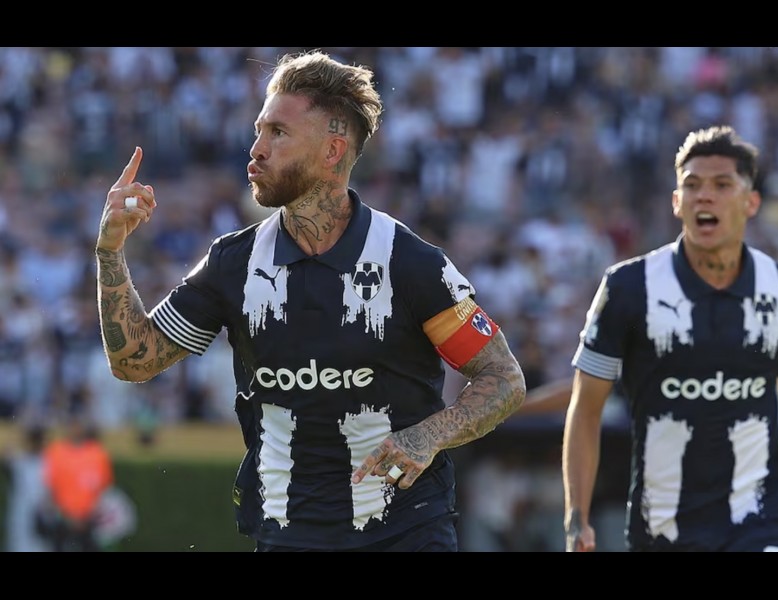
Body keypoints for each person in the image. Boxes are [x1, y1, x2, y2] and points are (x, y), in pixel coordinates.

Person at [94, 50, 526, 552]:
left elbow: (503, 378)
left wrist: (428, 435)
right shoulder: (233, 263)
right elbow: (133, 361)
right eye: (259, 130)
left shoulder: (409, 262)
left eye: (278, 133)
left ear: (332, 151)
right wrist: (110, 250)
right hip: (287, 534)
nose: (256, 149)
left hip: (407, 532)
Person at [562, 124, 778, 552]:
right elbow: (586, 410)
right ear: (676, 202)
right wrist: (576, 517)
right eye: (692, 185)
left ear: (751, 202)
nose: (704, 196)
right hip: (662, 529)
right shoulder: (628, 288)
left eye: (722, 185)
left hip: (762, 522)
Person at [40, 415, 114, 552]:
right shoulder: (55, 451)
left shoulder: (97, 453)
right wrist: (66, 516)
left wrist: (87, 516)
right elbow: (50, 487)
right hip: (62, 520)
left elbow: (103, 489)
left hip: (90, 521)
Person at [2, 423, 51, 552]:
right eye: (32, 439)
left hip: (42, 516)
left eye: (38, 439)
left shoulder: (49, 461)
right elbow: (6, 452)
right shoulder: (19, 459)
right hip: (21, 516)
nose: (35, 443)